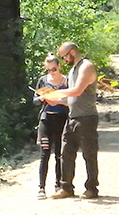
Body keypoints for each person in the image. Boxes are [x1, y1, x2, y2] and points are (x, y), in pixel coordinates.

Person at [46, 42, 99, 199]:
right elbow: (71, 97)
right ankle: (66, 188)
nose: (64, 60)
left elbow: (77, 91)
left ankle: (92, 188)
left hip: (87, 117)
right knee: (66, 153)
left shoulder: (86, 67)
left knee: (89, 153)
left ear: (73, 52)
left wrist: (55, 93)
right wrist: (57, 101)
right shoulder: (73, 70)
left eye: (64, 56)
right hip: (72, 116)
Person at [32, 54, 69, 199]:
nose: (51, 73)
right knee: (44, 153)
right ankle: (41, 187)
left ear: (59, 66)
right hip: (46, 119)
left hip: (62, 119)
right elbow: (34, 101)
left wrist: (59, 101)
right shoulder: (42, 81)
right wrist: (42, 98)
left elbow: (73, 99)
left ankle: (58, 185)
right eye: (48, 70)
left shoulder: (67, 81)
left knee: (60, 154)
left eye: (53, 69)